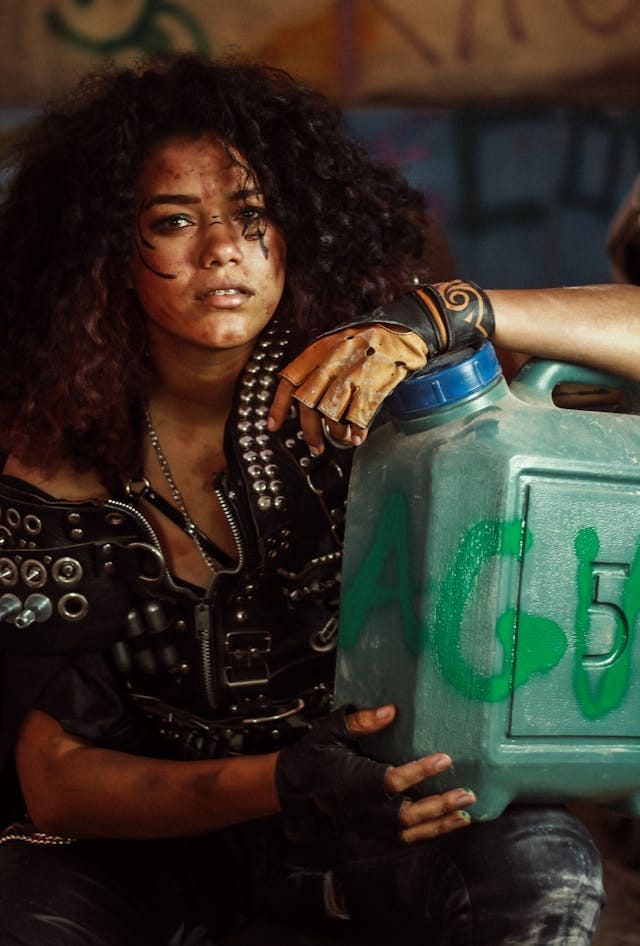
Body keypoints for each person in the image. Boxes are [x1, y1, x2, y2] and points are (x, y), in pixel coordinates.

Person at [0, 53, 638, 946]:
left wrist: (448, 313)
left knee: (542, 869)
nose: (222, 249)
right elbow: (57, 782)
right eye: (173, 221)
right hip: (169, 839)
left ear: (294, 228)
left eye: (251, 215)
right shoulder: (50, 457)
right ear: (102, 251)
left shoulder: (371, 371)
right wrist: (281, 780)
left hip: (385, 819)